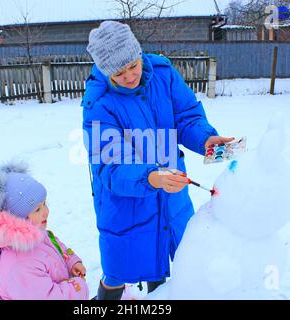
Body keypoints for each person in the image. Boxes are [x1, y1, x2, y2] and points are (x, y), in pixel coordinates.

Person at [81, 21, 234, 300]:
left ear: (139, 54)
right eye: (118, 72)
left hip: (172, 193)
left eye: (133, 65)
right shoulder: (99, 103)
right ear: (105, 72)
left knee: (164, 262)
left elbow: (186, 116)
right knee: (119, 269)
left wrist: (204, 139)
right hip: (126, 201)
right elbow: (111, 164)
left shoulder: (163, 74)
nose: (129, 76)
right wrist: (151, 177)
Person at [0, 162, 89, 300]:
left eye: (44, 204)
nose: (46, 212)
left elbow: (55, 245)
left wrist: (71, 261)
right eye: (37, 209)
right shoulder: (21, 265)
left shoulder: (35, 233)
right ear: (18, 219)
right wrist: (78, 287)